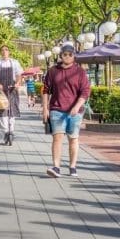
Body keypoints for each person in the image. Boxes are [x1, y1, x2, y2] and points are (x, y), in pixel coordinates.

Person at [42, 43, 90, 177]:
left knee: (73, 139)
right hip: (56, 109)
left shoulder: (80, 72)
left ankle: (72, 166)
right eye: (65, 54)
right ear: (61, 55)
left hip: (75, 111)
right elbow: (45, 90)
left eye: (70, 54)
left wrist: (77, 106)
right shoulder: (53, 71)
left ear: (74, 56)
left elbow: (85, 92)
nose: (67, 56)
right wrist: (45, 108)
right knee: (57, 138)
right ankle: (56, 167)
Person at [0, 45, 24, 145]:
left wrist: (17, 83)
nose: (4, 52)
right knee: (1, 112)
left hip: (12, 89)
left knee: (12, 111)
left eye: (6, 50)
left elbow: (19, 75)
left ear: (9, 52)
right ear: (0, 52)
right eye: (2, 50)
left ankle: (11, 131)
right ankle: (5, 132)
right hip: (1, 90)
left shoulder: (15, 62)